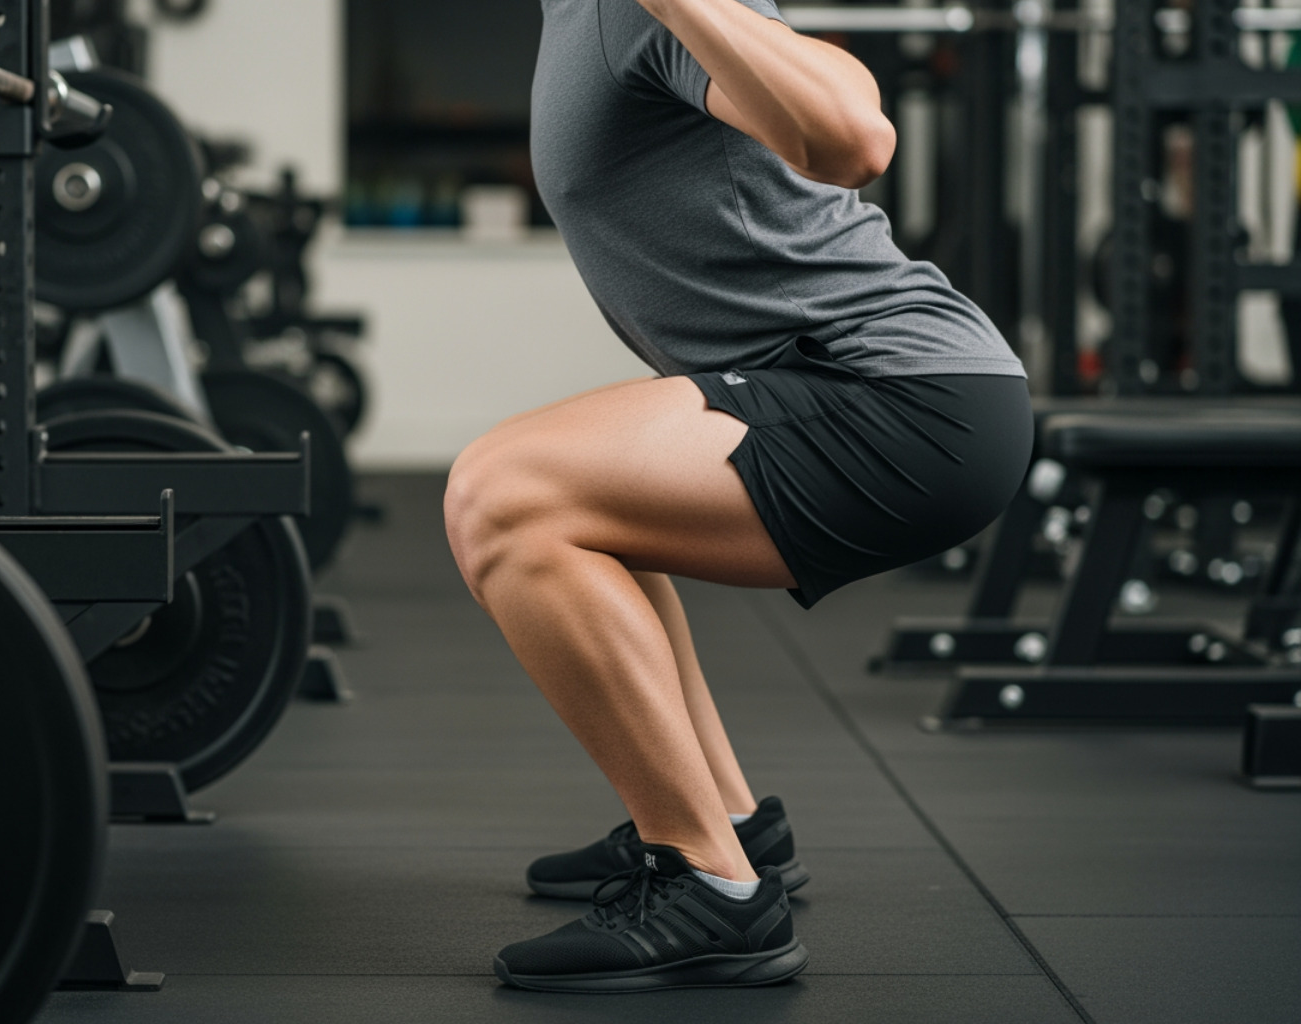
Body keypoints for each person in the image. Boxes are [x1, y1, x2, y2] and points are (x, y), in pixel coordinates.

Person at [443, 0, 1034, 993]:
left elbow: (852, 134)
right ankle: (730, 821)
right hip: (843, 385)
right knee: (584, 504)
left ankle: (711, 887)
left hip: (903, 396)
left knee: (504, 495)